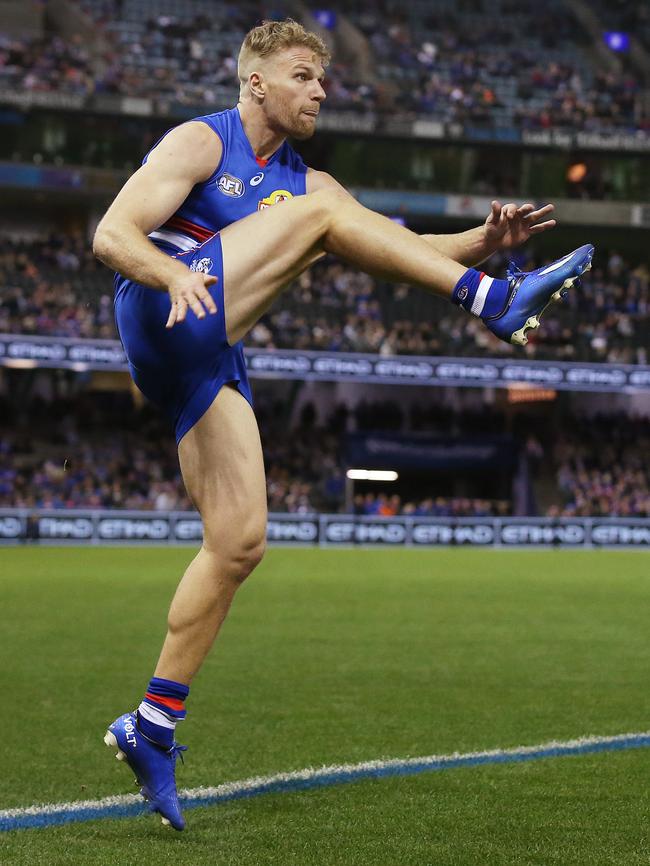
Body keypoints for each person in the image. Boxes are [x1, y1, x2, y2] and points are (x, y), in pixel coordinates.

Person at [93, 19, 593, 830]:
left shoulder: (308, 184)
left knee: (240, 541)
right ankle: (495, 304)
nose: (319, 90)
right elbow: (112, 234)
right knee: (324, 214)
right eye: (302, 75)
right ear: (255, 81)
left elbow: (396, 243)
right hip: (161, 307)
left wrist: (484, 241)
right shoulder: (200, 142)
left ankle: (151, 723)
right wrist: (172, 270)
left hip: (206, 355)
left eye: (323, 80)